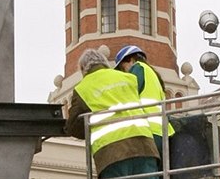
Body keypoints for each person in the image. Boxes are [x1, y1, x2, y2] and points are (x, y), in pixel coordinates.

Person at [65, 49, 159, 178]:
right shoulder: (129, 78)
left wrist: (91, 126)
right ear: (105, 63)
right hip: (144, 146)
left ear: (83, 69)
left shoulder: (83, 88)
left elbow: (73, 127)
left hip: (111, 153)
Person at [114, 45, 175, 161]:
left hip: (148, 130)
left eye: (123, 68)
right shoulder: (153, 75)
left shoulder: (138, 68)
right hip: (162, 132)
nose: (124, 73)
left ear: (131, 59)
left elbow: (127, 94)